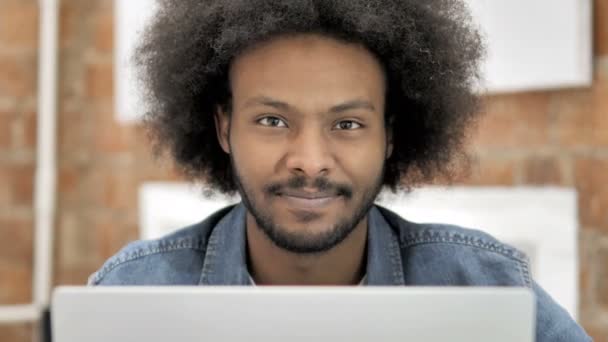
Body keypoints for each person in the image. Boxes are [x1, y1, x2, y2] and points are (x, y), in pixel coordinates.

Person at [89, 0, 591, 340]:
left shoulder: (485, 287)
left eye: (347, 123)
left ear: (390, 135)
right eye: (272, 120)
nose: (309, 160)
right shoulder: (130, 295)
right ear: (224, 128)